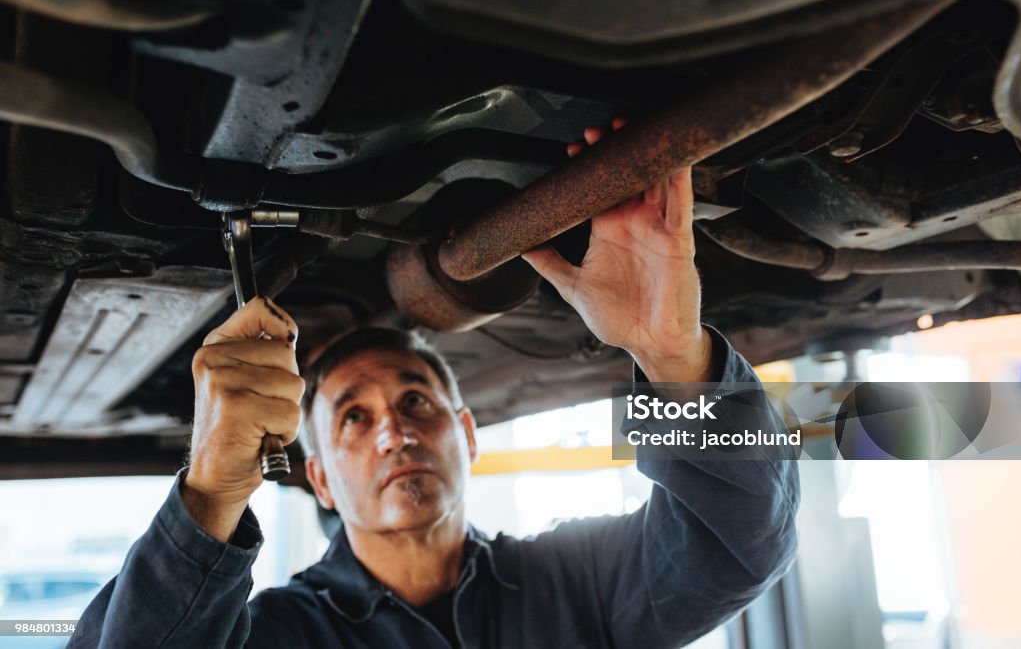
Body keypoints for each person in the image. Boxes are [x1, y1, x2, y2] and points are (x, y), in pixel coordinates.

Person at [72, 124, 799, 648]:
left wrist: (671, 354)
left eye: (416, 400)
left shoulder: (577, 582)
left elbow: (739, 545)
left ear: (469, 433)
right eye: (353, 418)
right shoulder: (278, 633)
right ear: (320, 480)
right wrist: (210, 494)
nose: (394, 429)